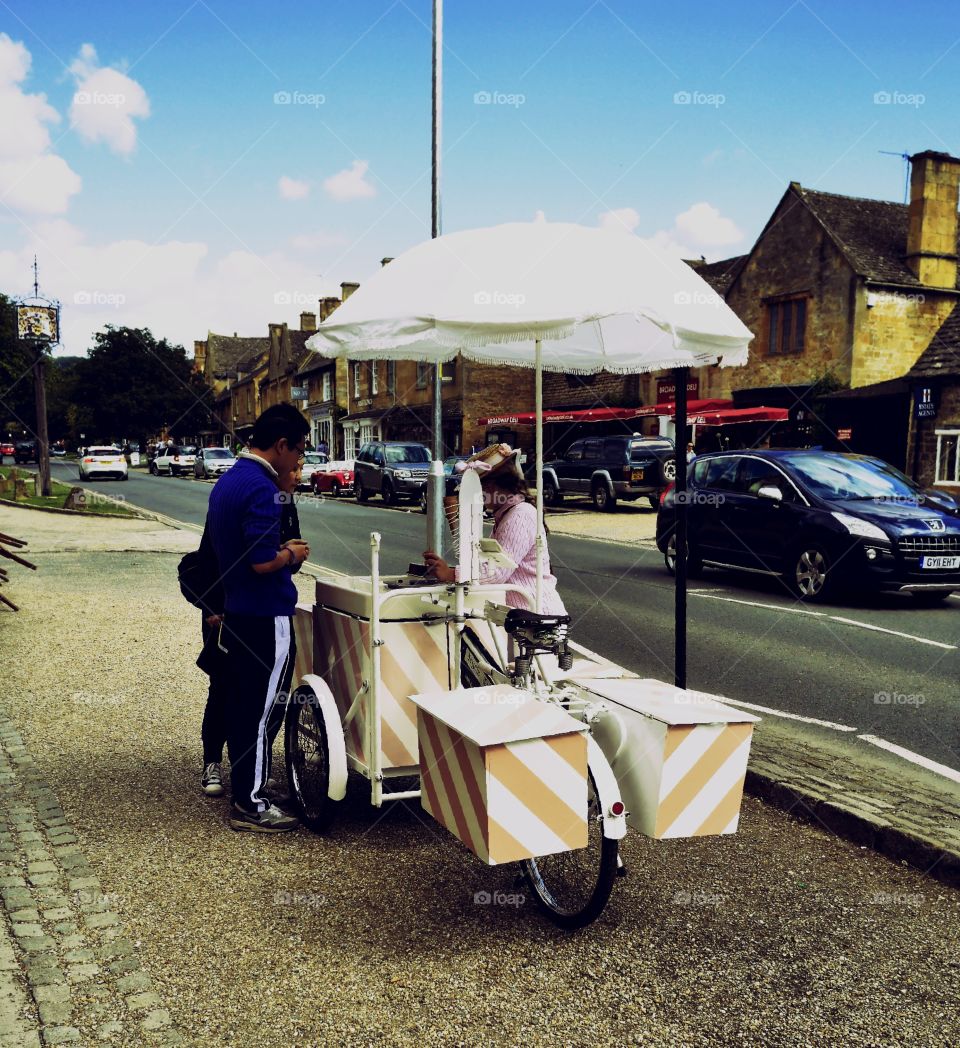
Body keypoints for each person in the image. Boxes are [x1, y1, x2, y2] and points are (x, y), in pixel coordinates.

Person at [207, 403, 310, 833]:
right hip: (266, 614)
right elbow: (261, 560)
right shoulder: (264, 487)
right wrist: (292, 553)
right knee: (264, 710)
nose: (300, 459)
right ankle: (250, 804)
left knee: (246, 704)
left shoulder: (229, 480)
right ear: (281, 445)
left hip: (237, 612)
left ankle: (251, 787)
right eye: (299, 449)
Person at [195, 462, 304, 801]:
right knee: (225, 689)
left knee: (266, 701)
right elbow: (209, 559)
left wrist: (291, 556)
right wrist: (211, 608)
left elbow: (288, 559)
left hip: (252, 607)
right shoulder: (258, 494)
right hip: (225, 611)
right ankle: (213, 760)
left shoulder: (284, 504)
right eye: (296, 465)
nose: (299, 474)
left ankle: (255, 771)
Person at [423, 444, 567, 616]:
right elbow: (490, 562)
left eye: (479, 489)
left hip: (538, 613)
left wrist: (450, 573)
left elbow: (498, 572)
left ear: (492, 486)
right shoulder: (506, 514)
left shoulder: (520, 515)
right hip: (522, 614)